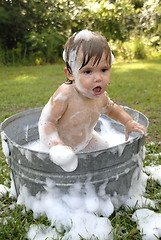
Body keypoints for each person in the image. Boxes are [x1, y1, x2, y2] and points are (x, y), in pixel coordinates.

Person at [38, 29, 148, 172]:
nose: (98, 78)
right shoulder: (65, 94)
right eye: (88, 71)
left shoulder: (100, 96)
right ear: (70, 74)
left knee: (104, 151)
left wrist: (128, 121)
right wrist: (56, 145)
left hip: (86, 141)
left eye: (103, 70)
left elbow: (112, 109)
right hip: (58, 150)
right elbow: (47, 122)